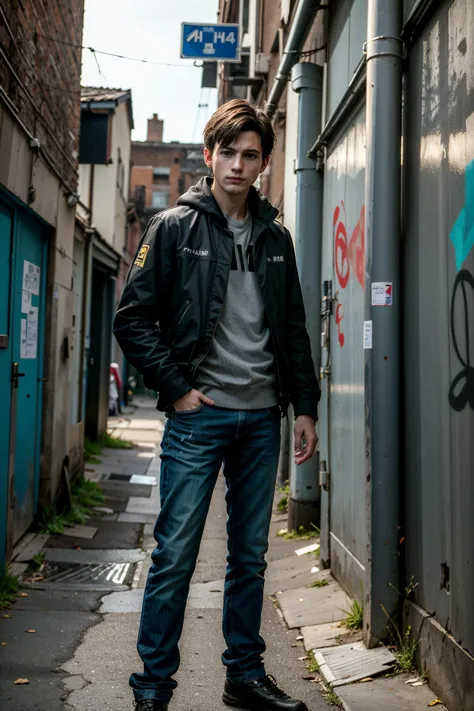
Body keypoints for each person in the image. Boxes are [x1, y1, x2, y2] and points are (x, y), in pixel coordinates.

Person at [113, 99, 320, 711]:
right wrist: (177, 388)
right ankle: (152, 688)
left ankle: (243, 676)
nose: (237, 163)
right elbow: (133, 318)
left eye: (250, 155)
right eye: (226, 152)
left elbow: (292, 327)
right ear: (209, 156)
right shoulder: (174, 227)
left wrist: (303, 404)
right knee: (176, 553)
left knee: (249, 558)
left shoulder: (275, 238)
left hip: (261, 419)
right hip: (197, 418)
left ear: (262, 164)